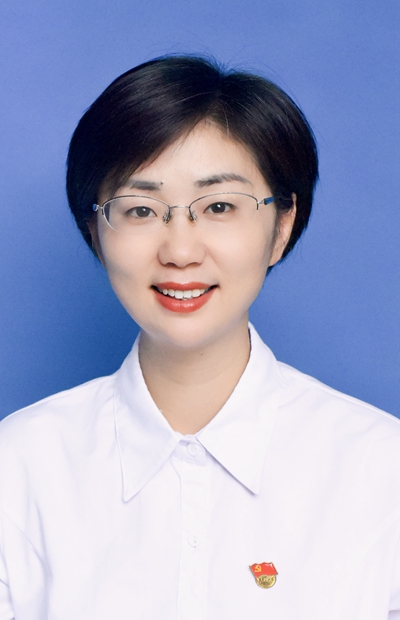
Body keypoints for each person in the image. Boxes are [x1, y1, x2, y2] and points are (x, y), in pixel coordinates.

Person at [0, 55, 399, 620]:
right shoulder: (18, 469)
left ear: (282, 225)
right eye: (141, 209)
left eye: (219, 206)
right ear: (96, 231)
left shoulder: (381, 472)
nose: (181, 251)